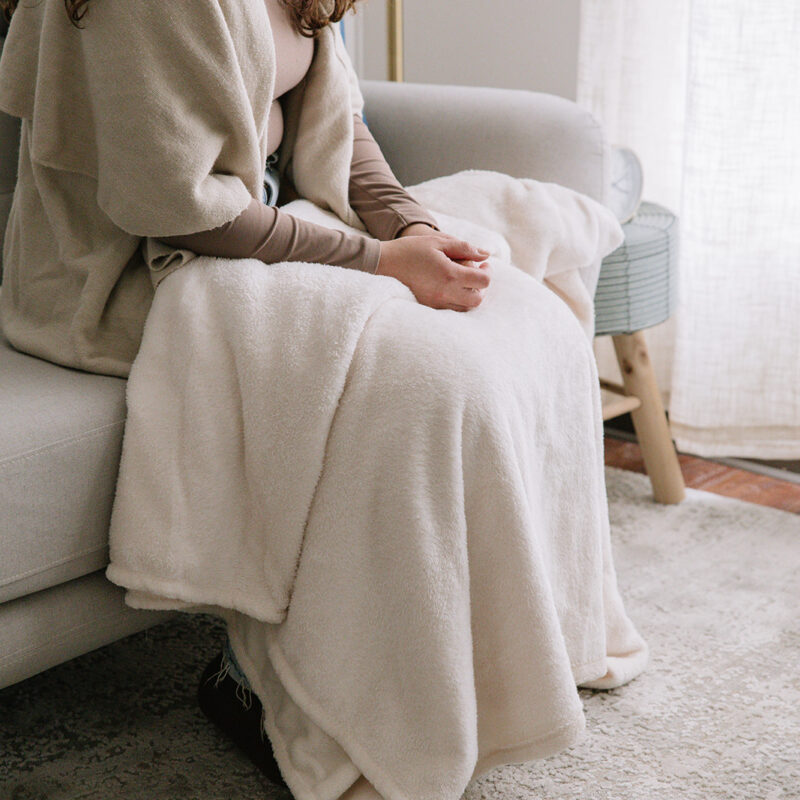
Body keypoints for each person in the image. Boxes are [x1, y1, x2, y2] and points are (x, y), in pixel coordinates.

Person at [0, 3, 646, 799]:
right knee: (422, 387)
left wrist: (414, 227)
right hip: (145, 269)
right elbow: (179, 211)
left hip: (270, 227)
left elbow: (337, 120)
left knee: (528, 323)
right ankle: (276, 685)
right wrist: (379, 261)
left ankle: (506, 660)